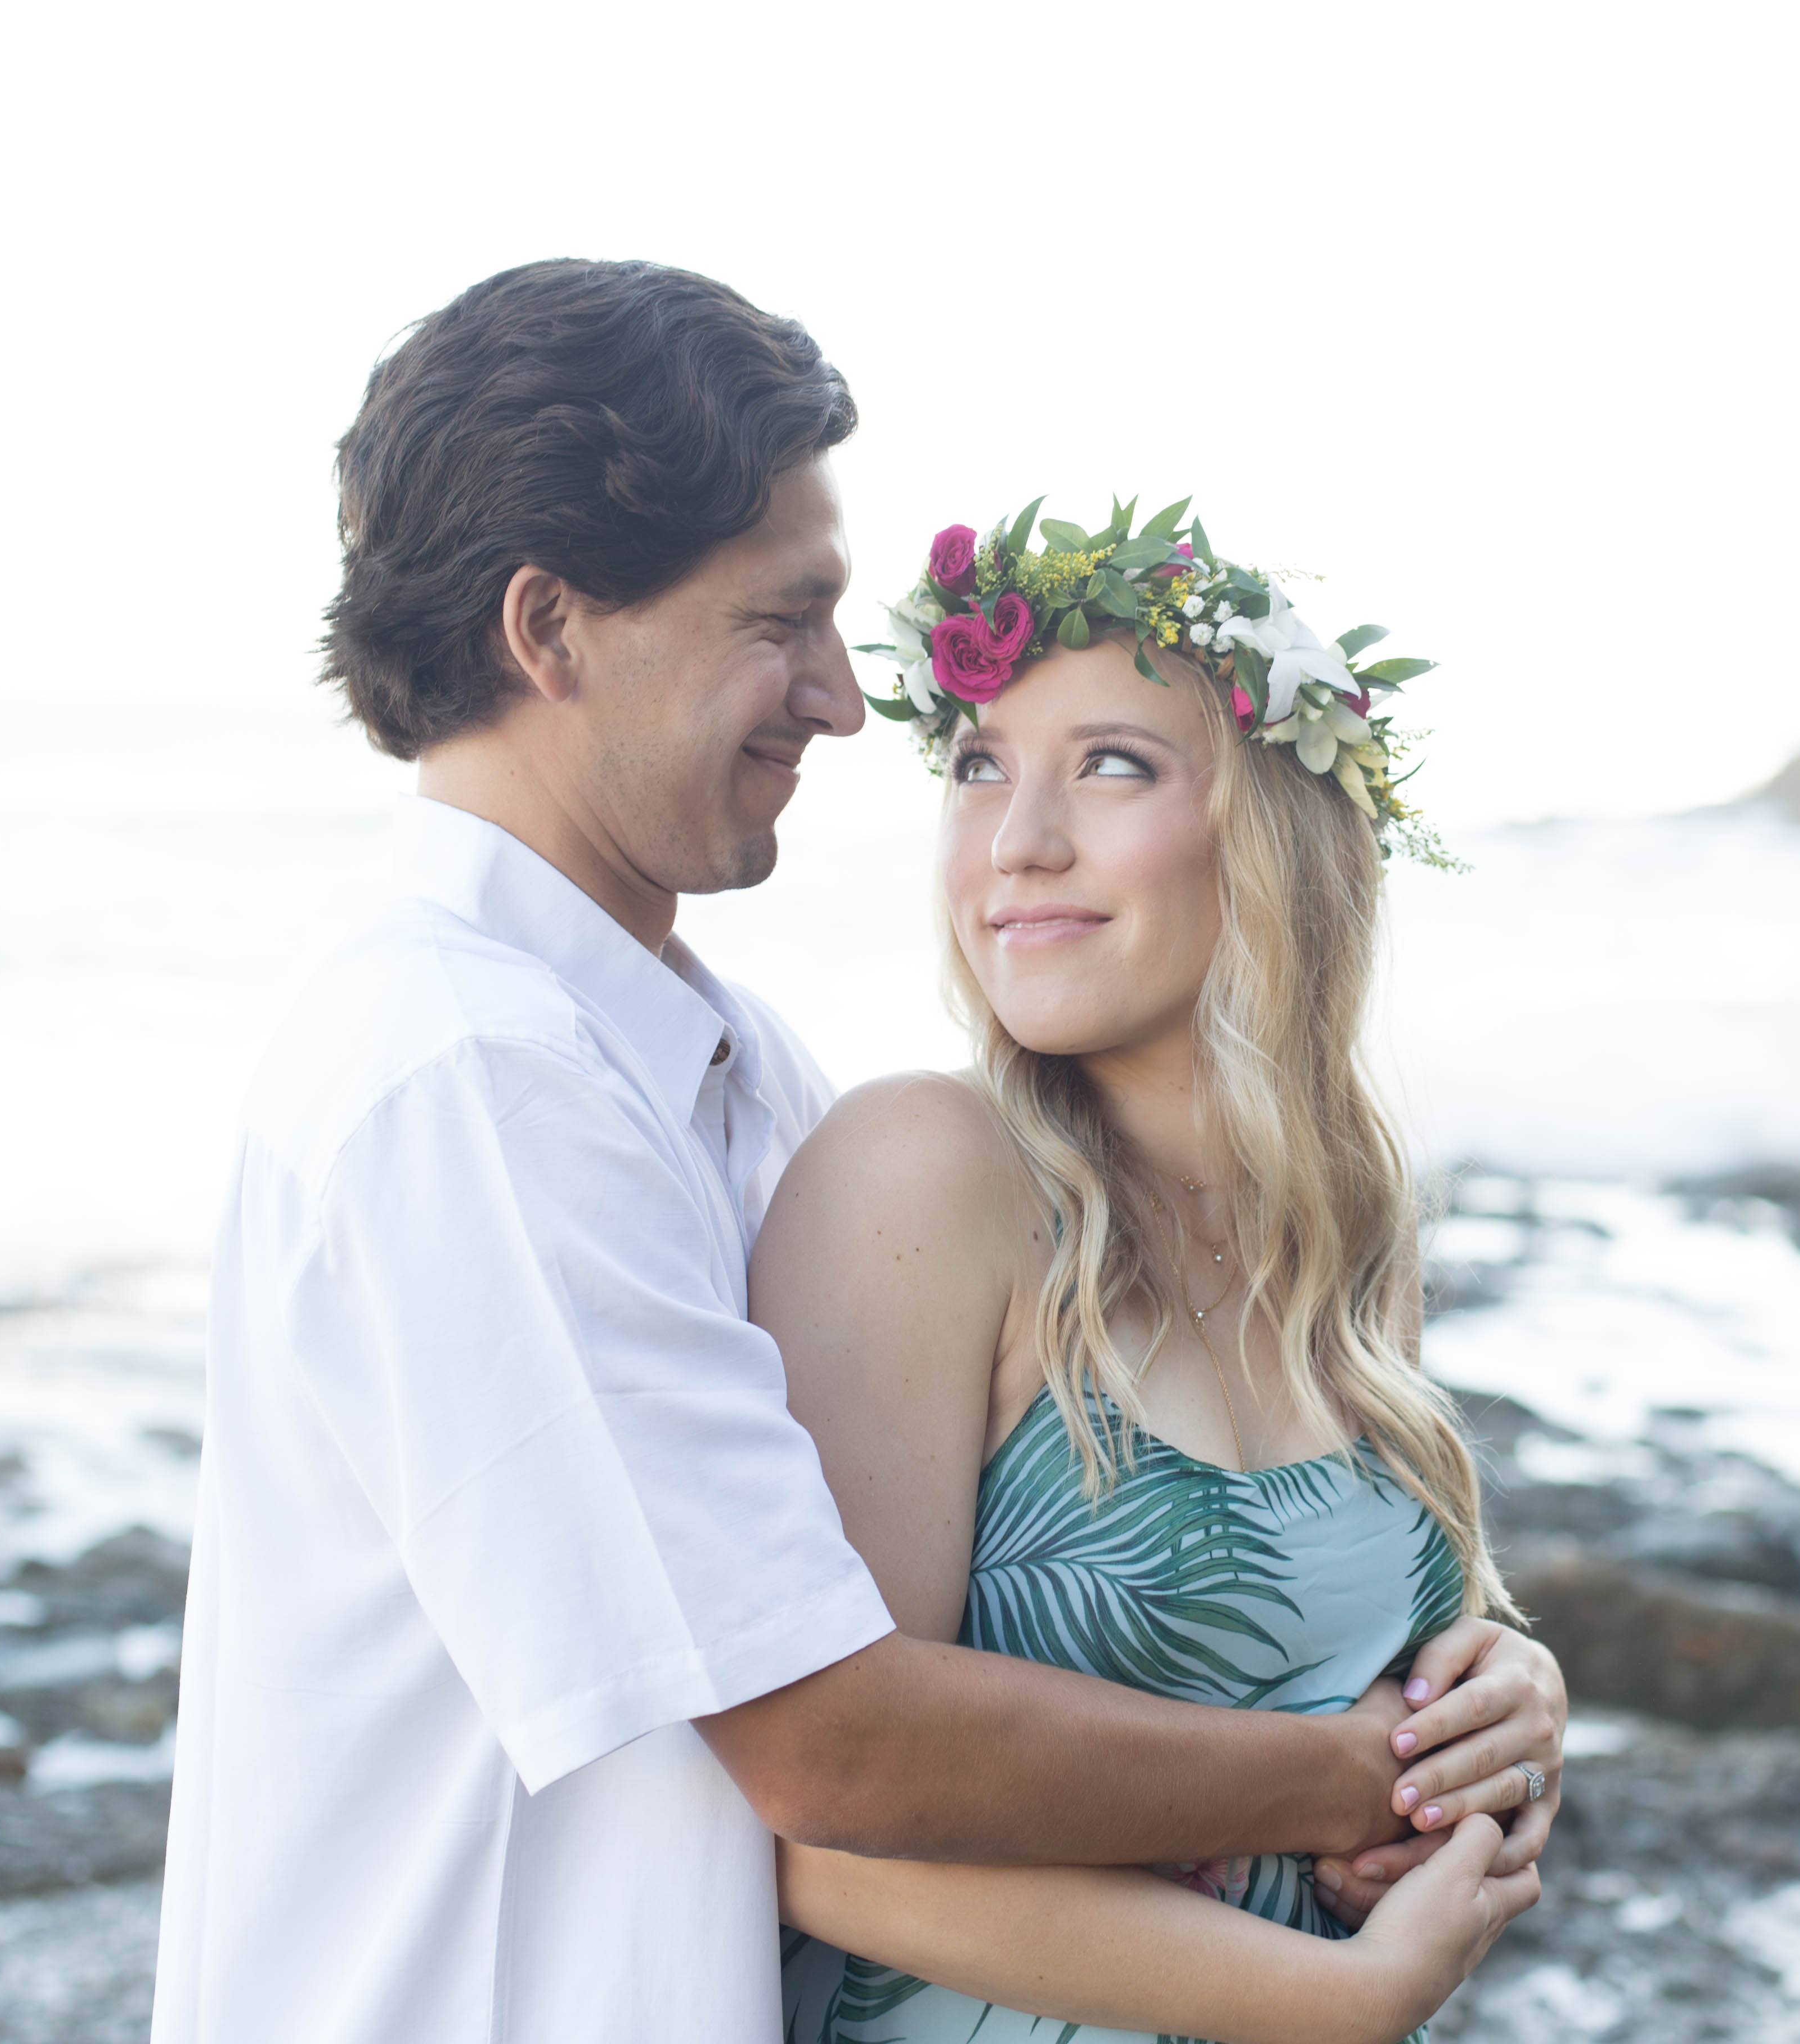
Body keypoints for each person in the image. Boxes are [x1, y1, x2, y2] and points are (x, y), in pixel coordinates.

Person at [150, 263, 1559, 2044]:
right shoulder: (476, 1082)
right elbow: (826, 1744)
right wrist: (1350, 1790)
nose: (837, 699)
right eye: (781, 623)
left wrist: (1484, 1696)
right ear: (552, 630)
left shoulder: (712, 1067)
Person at [766, 501, 1560, 2044]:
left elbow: (1370, 1677)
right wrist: (1340, 2001)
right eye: (980, 766)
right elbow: (818, 1833)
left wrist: (1509, 1694)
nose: (1017, 841)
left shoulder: (1344, 1217)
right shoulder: (927, 1174)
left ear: (1270, 828)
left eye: (1110, 766)